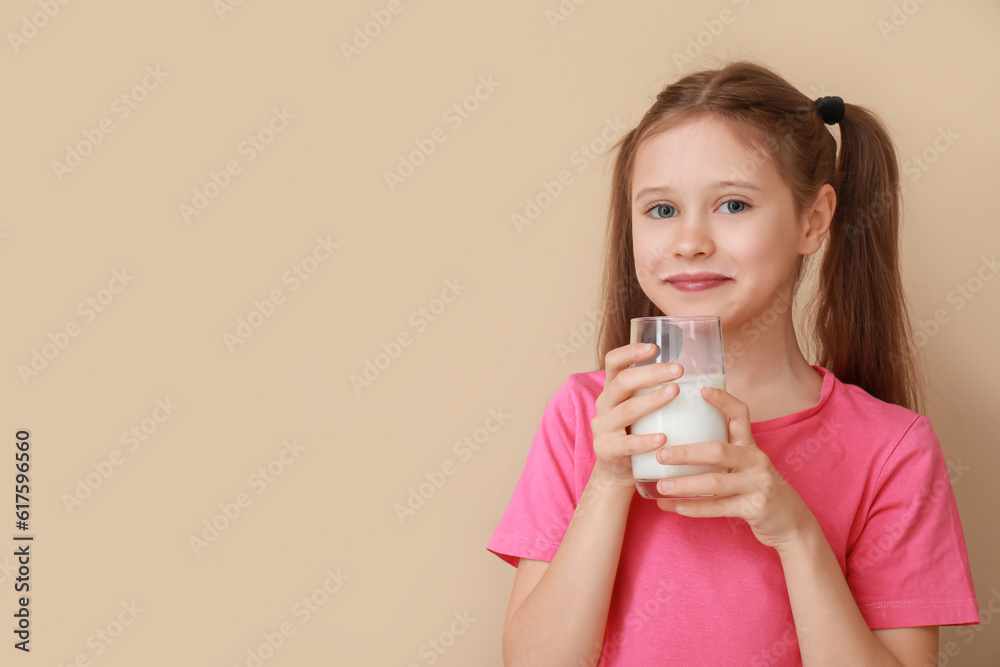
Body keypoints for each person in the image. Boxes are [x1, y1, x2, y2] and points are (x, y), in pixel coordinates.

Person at [487, 60, 980, 666]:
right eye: (661, 210)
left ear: (814, 219)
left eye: (733, 205)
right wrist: (609, 481)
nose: (689, 241)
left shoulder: (892, 449)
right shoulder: (585, 418)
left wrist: (797, 533)